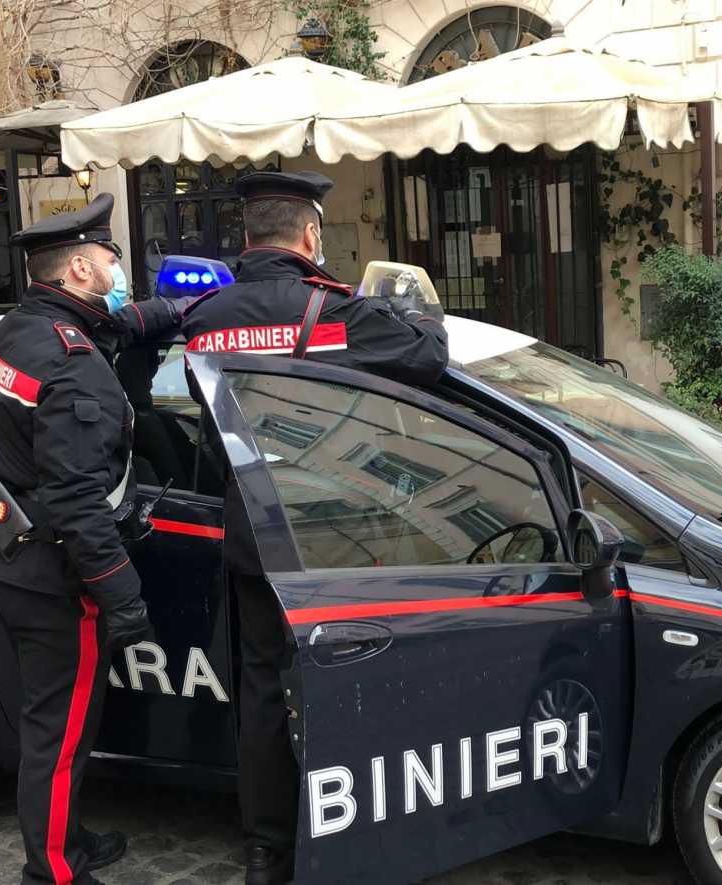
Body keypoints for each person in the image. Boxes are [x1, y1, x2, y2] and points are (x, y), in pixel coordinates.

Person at [180, 171, 449, 885]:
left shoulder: (207, 315)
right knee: (352, 686)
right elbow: (428, 357)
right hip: (337, 535)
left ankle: (267, 849)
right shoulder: (334, 311)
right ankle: (359, 834)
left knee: (264, 692)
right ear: (310, 235)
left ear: (247, 235)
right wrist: (424, 313)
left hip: (252, 535)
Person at [0, 194, 184, 885]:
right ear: (84, 268)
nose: (119, 270)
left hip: (6, 554)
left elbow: (113, 325)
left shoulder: (15, 330)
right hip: (55, 576)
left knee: (53, 722)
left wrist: (176, 312)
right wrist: (122, 596)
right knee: (58, 735)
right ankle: (54, 870)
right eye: (112, 260)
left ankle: (66, 834)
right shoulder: (72, 364)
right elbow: (78, 502)